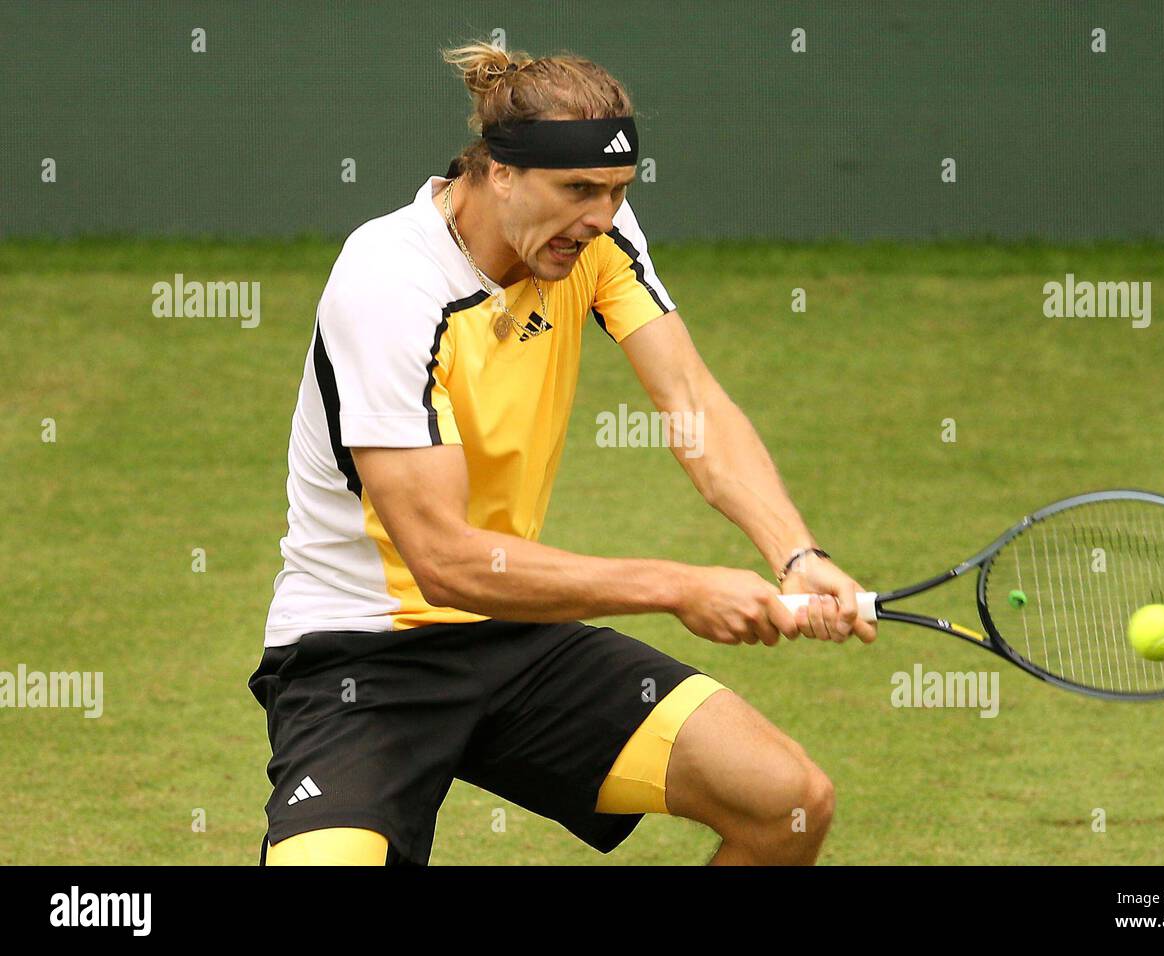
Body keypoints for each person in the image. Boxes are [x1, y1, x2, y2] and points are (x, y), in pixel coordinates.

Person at [248, 40, 874, 867]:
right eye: (578, 189)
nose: (601, 217)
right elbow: (443, 562)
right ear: (497, 173)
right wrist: (680, 586)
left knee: (785, 803)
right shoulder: (388, 283)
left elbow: (690, 402)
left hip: (517, 627)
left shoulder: (595, 238)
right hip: (361, 655)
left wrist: (794, 552)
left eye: (617, 192)